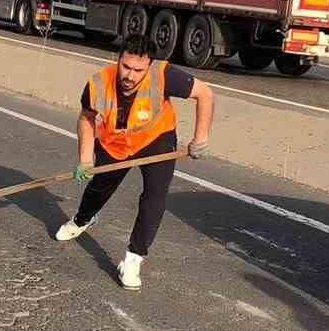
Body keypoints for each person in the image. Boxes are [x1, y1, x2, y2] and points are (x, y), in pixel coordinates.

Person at [56, 33, 215, 290]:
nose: (130, 75)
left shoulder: (164, 74)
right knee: (98, 188)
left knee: (155, 195)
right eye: (126, 66)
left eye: (138, 70)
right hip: (115, 143)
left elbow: (205, 94)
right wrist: (85, 159)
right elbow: (86, 118)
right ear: (118, 60)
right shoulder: (97, 84)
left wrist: (201, 137)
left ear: (148, 66)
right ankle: (83, 219)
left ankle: (134, 258)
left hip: (156, 140)